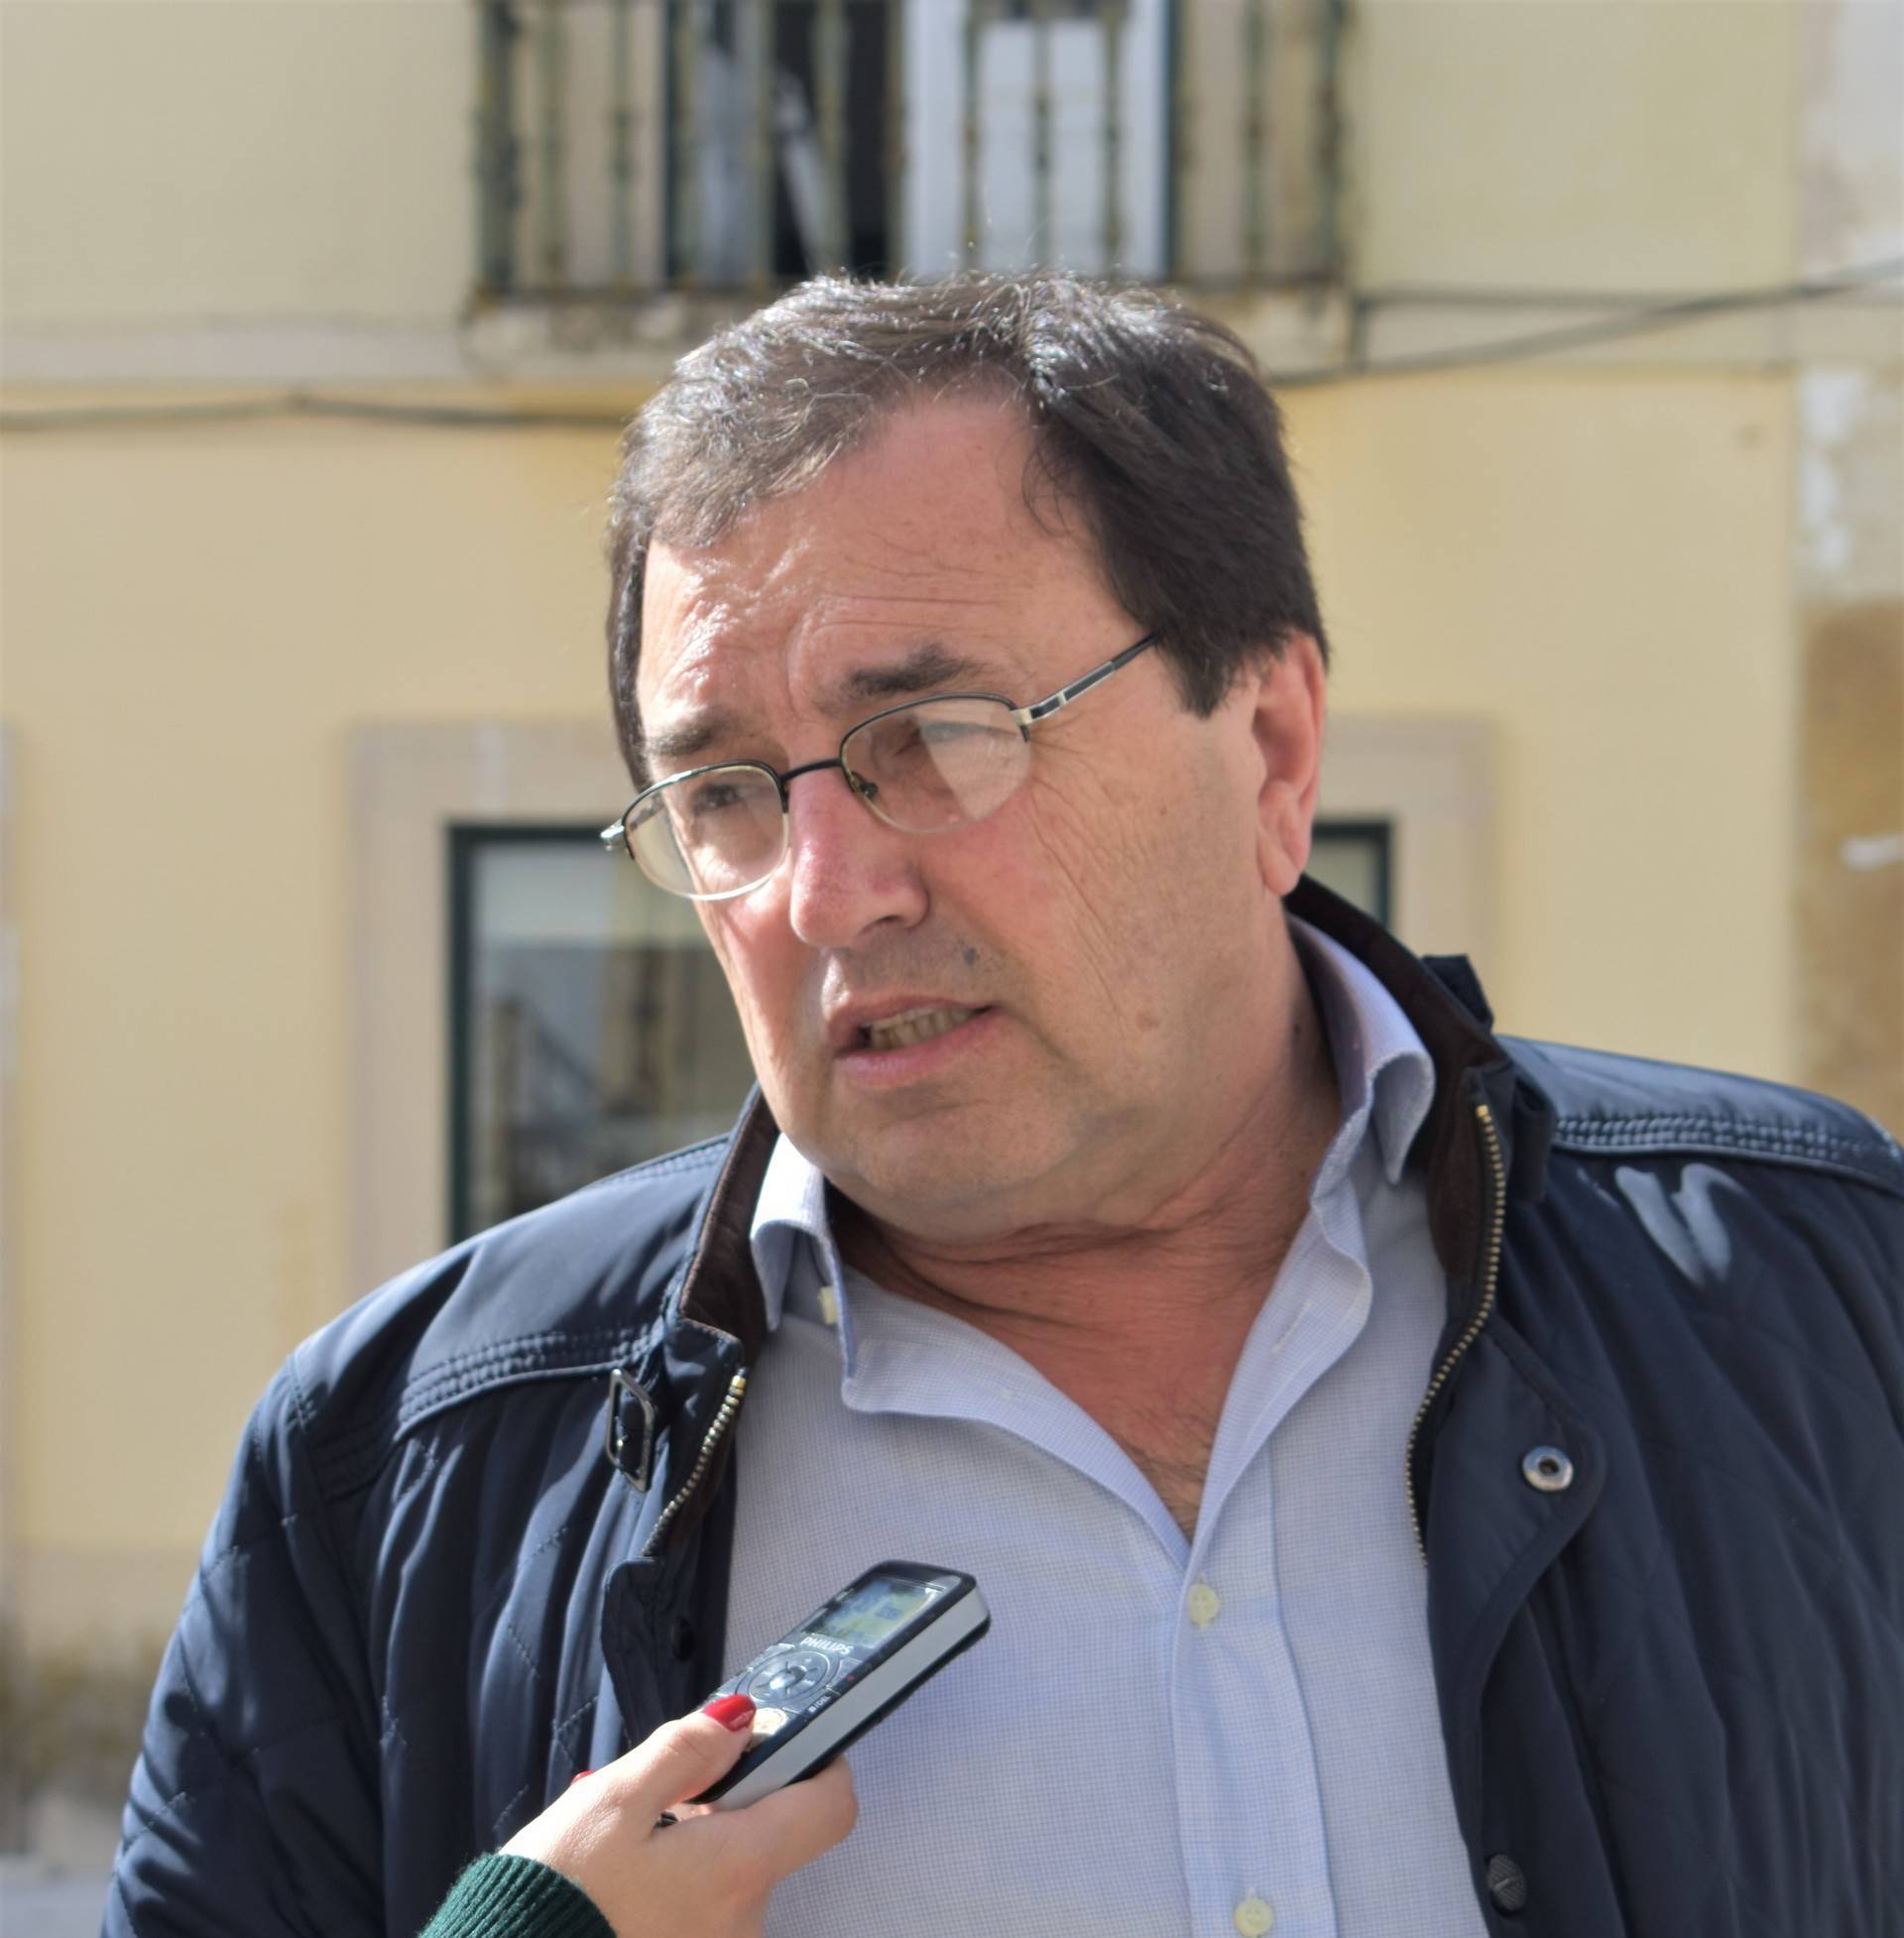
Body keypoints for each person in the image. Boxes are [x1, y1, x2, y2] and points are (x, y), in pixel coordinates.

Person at [106, 276, 1903, 1938]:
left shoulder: (1825, 1294)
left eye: (939, 735)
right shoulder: (397, 1464)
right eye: (724, 793)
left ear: (1271, 746)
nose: (826, 890)